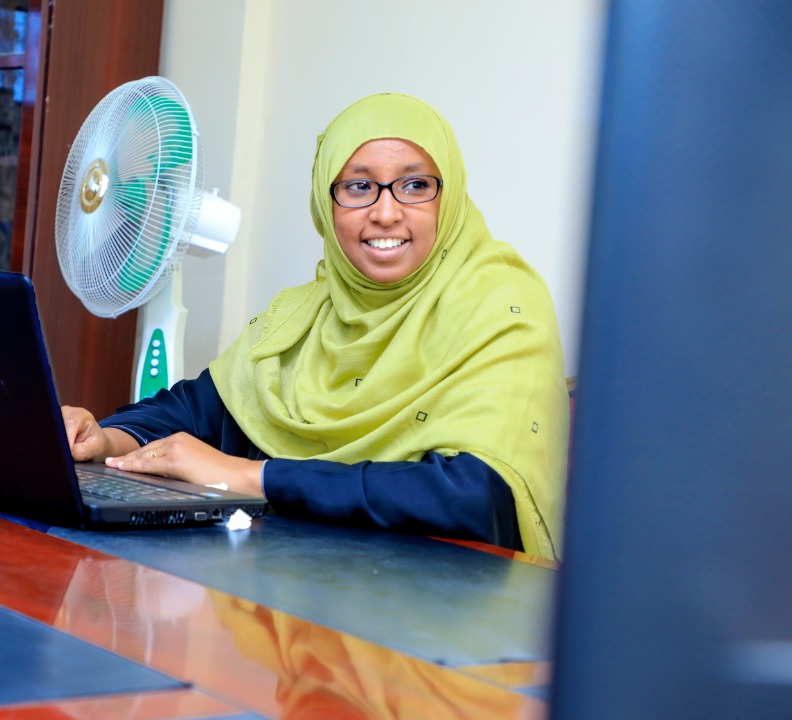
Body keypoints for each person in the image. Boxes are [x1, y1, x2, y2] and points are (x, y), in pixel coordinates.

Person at [62, 93, 568, 561]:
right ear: (326, 206)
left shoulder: (503, 307)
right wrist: (106, 439)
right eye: (359, 187)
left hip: (445, 619)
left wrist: (251, 477)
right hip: (297, 594)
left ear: (449, 196)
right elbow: (196, 411)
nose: (386, 212)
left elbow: (475, 496)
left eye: (416, 185)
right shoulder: (306, 314)